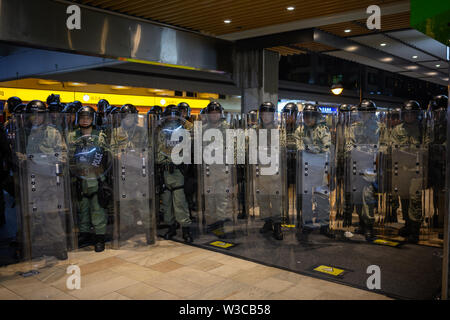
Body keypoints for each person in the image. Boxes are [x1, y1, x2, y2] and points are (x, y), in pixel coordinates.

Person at [20, 100, 68, 260]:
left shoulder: (53, 132)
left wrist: (49, 162)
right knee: (29, 215)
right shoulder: (22, 133)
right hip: (28, 178)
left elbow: (62, 154)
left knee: (51, 213)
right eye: (32, 115)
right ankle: (27, 246)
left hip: (48, 179)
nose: (35, 118)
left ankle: (59, 245)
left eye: (38, 114)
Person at [67, 106, 109, 252]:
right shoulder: (72, 136)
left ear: (93, 119)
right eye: (82, 117)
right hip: (79, 177)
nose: (85, 120)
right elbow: (68, 156)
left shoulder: (100, 136)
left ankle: (99, 237)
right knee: (82, 208)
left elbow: (107, 155)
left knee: (97, 208)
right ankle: (84, 234)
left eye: (88, 118)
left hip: (95, 176)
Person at [110, 104, 152, 242]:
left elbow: (147, 148)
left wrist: (142, 155)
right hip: (124, 172)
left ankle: (148, 230)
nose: (128, 119)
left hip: (139, 172)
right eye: (125, 116)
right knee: (125, 204)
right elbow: (112, 149)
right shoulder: (116, 132)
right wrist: (118, 155)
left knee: (142, 202)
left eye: (130, 116)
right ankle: (127, 229)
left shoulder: (141, 131)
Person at [389, 100, 427, 243]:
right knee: (404, 198)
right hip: (403, 170)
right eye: (407, 114)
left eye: (412, 114)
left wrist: (408, 151)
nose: (409, 117)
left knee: (415, 198)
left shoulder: (423, 129)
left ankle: (415, 230)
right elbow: (393, 148)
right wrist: (410, 151)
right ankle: (408, 224)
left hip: (417, 170)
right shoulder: (397, 130)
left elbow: (426, 148)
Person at [294, 104, 332, 239]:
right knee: (306, 198)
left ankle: (324, 225)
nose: (308, 119)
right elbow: (298, 147)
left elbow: (326, 148)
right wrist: (314, 149)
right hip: (306, 169)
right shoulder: (300, 130)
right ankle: (307, 224)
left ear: (316, 117)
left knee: (322, 198)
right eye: (305, 116)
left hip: (321, 168)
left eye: (311, 116)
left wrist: (309, 149)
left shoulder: (323, 130)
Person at [156, 105, 193, 243]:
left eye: (174, 115)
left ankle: (185, 229)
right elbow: (157, 149)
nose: (171, 118)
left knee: (180, 202)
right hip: (164, 170)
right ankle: (171, 227)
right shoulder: (161, 132)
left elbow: (187, 150)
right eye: (169, 115)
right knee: (166, 202)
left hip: (178, 170)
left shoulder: (183, 131)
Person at [345, 99, 381, 241]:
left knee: (368, 197)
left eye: (368, 113)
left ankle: (369, 226)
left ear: (372, 113)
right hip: (356, 166)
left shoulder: (379, 128)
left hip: (370, 168)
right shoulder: (354, 128)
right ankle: (361, 222)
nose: (365, 115)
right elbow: (349, 146)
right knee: (358, 197)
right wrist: (364, 150)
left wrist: (360, 150)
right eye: (363, 113)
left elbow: (379, 148)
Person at [252, 102, 285, 240]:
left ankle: (277, 224)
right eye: (263, 114)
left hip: (274, 171)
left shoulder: (278, 130)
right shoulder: (255, 130)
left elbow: (282, 148)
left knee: (276, 199)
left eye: (268, 114)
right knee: (263, 199)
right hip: (260, 170)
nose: (266, 117)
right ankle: (267, 222)